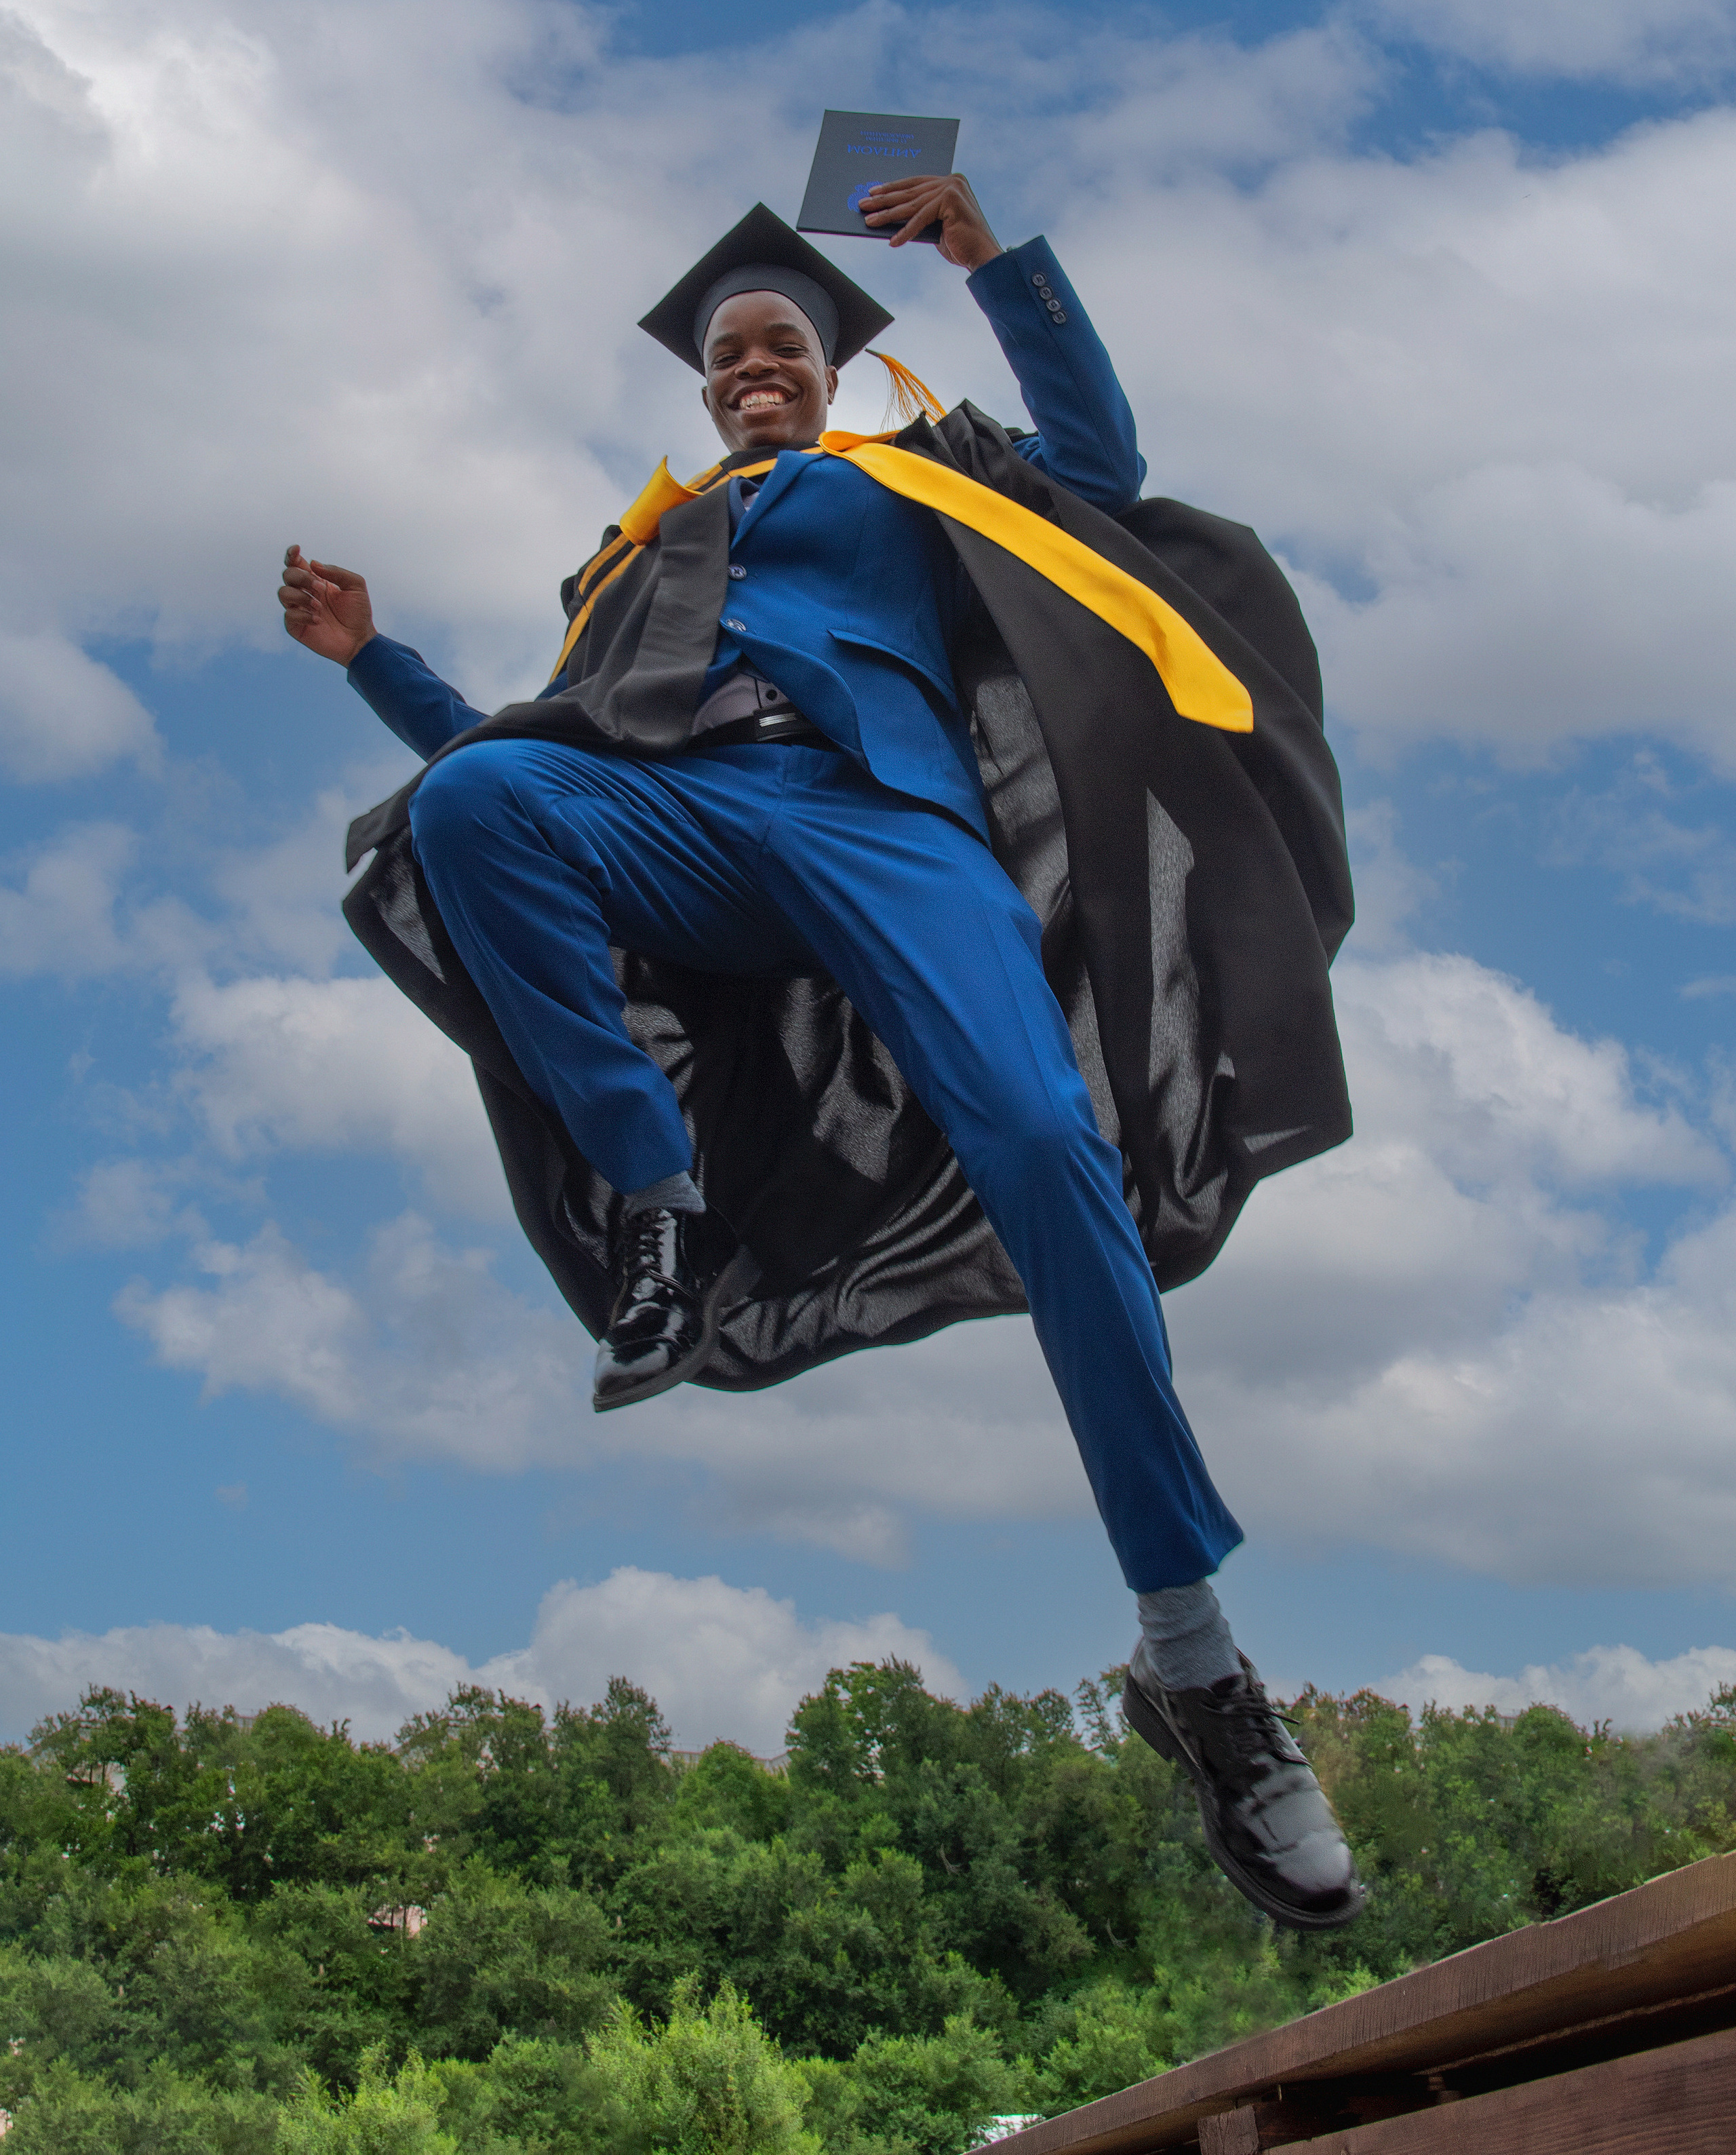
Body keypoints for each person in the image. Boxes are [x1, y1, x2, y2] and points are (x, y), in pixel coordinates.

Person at [280, 174, 1364, 1930]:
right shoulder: (629, 566)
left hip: (884, 820)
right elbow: (522, 762)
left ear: (832, 363)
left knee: (1039, 1143)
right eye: (729, 355)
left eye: (779, 341)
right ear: (707, 390)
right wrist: (371, 661)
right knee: (476, 797)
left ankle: (1193, 1657)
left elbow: (1096, 456)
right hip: (691, 826)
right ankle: (657, 1188)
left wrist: (987, 257)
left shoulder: (910, 482)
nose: (752, 366)